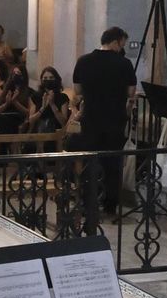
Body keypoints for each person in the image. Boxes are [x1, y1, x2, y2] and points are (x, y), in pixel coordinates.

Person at [72, 27, 137, 212]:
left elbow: (77, 90)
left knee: (89, 161)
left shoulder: (83, 61)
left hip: (91, 119)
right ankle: (110, 204)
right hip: (114, 120)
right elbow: (131, 91)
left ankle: (87, 202)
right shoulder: (124, 63)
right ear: (115, 42)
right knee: (112, 164)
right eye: (122, 44)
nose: (122, 49)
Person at [29, 66, 72, 137]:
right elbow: (31, 120)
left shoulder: (63, 97)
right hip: (38, 132)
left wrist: (52, 104)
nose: (48, 80)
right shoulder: (35, 96)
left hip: (56, 133)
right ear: (41, 80)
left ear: (56, 79)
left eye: (51, 78)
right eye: (45, 78)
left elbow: (63, 122)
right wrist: (42, 108)